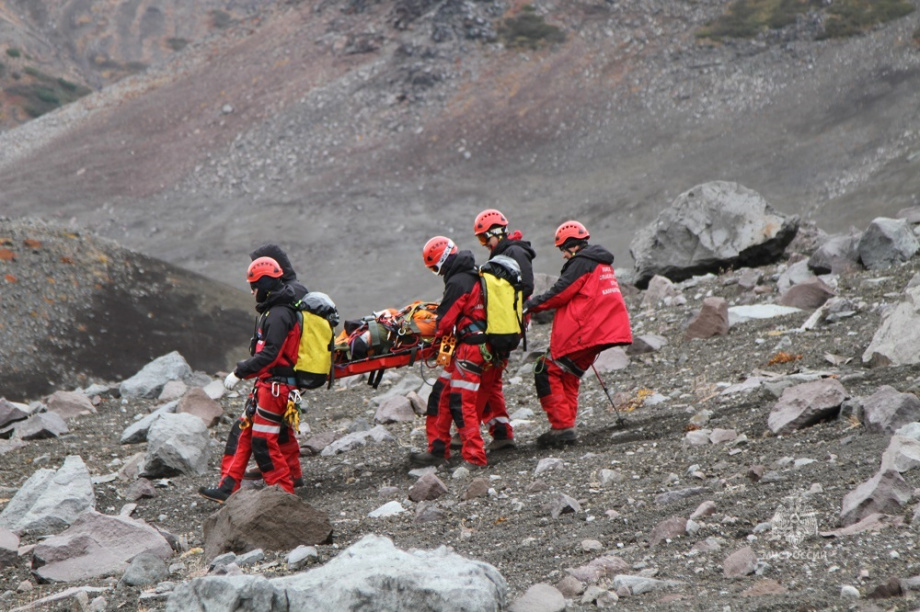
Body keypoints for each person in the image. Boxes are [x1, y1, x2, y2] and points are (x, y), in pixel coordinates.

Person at [198, 255, 303, 502]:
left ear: (264, 285)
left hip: (276, 387)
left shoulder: (278, 315)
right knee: (243, 432)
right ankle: (228, 487)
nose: (252, 290)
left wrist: (240, 371)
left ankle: (283, 495)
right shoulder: (275, 311)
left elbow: (271, 353)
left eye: (254, 285)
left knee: (263, 441)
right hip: (268, 385)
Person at [525, 220, 632, 448]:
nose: (564, 256)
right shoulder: (602, 264)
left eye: (563, 250)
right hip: (605, 330)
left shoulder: (581, 263)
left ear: (572, 246)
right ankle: (566, 428)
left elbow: (560, 293)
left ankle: (561, 427)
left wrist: (531, 305)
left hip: (588, 332)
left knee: (545, 369)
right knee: (569, 375)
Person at [409, 236, 493, 468]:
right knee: (440, 393)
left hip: (471, 348)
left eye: (436, 267)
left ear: (444, 259)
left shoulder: (459, 281)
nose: (437, 272)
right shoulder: (469, 274)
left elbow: (445, 322)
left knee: (460, 402)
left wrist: (423, 332)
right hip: (468, 346)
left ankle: (475, 457)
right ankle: (437, 449)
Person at [471, 208, 537, 451]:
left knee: (486, 380)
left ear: (496, 233)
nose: (484, 245)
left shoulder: (514, 252)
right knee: (492, 381)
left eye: (483, 238)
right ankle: (501, 433)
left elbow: (526, 286)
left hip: (506, 327)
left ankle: (466, 433)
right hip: (504, 325)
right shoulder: (505, 253)